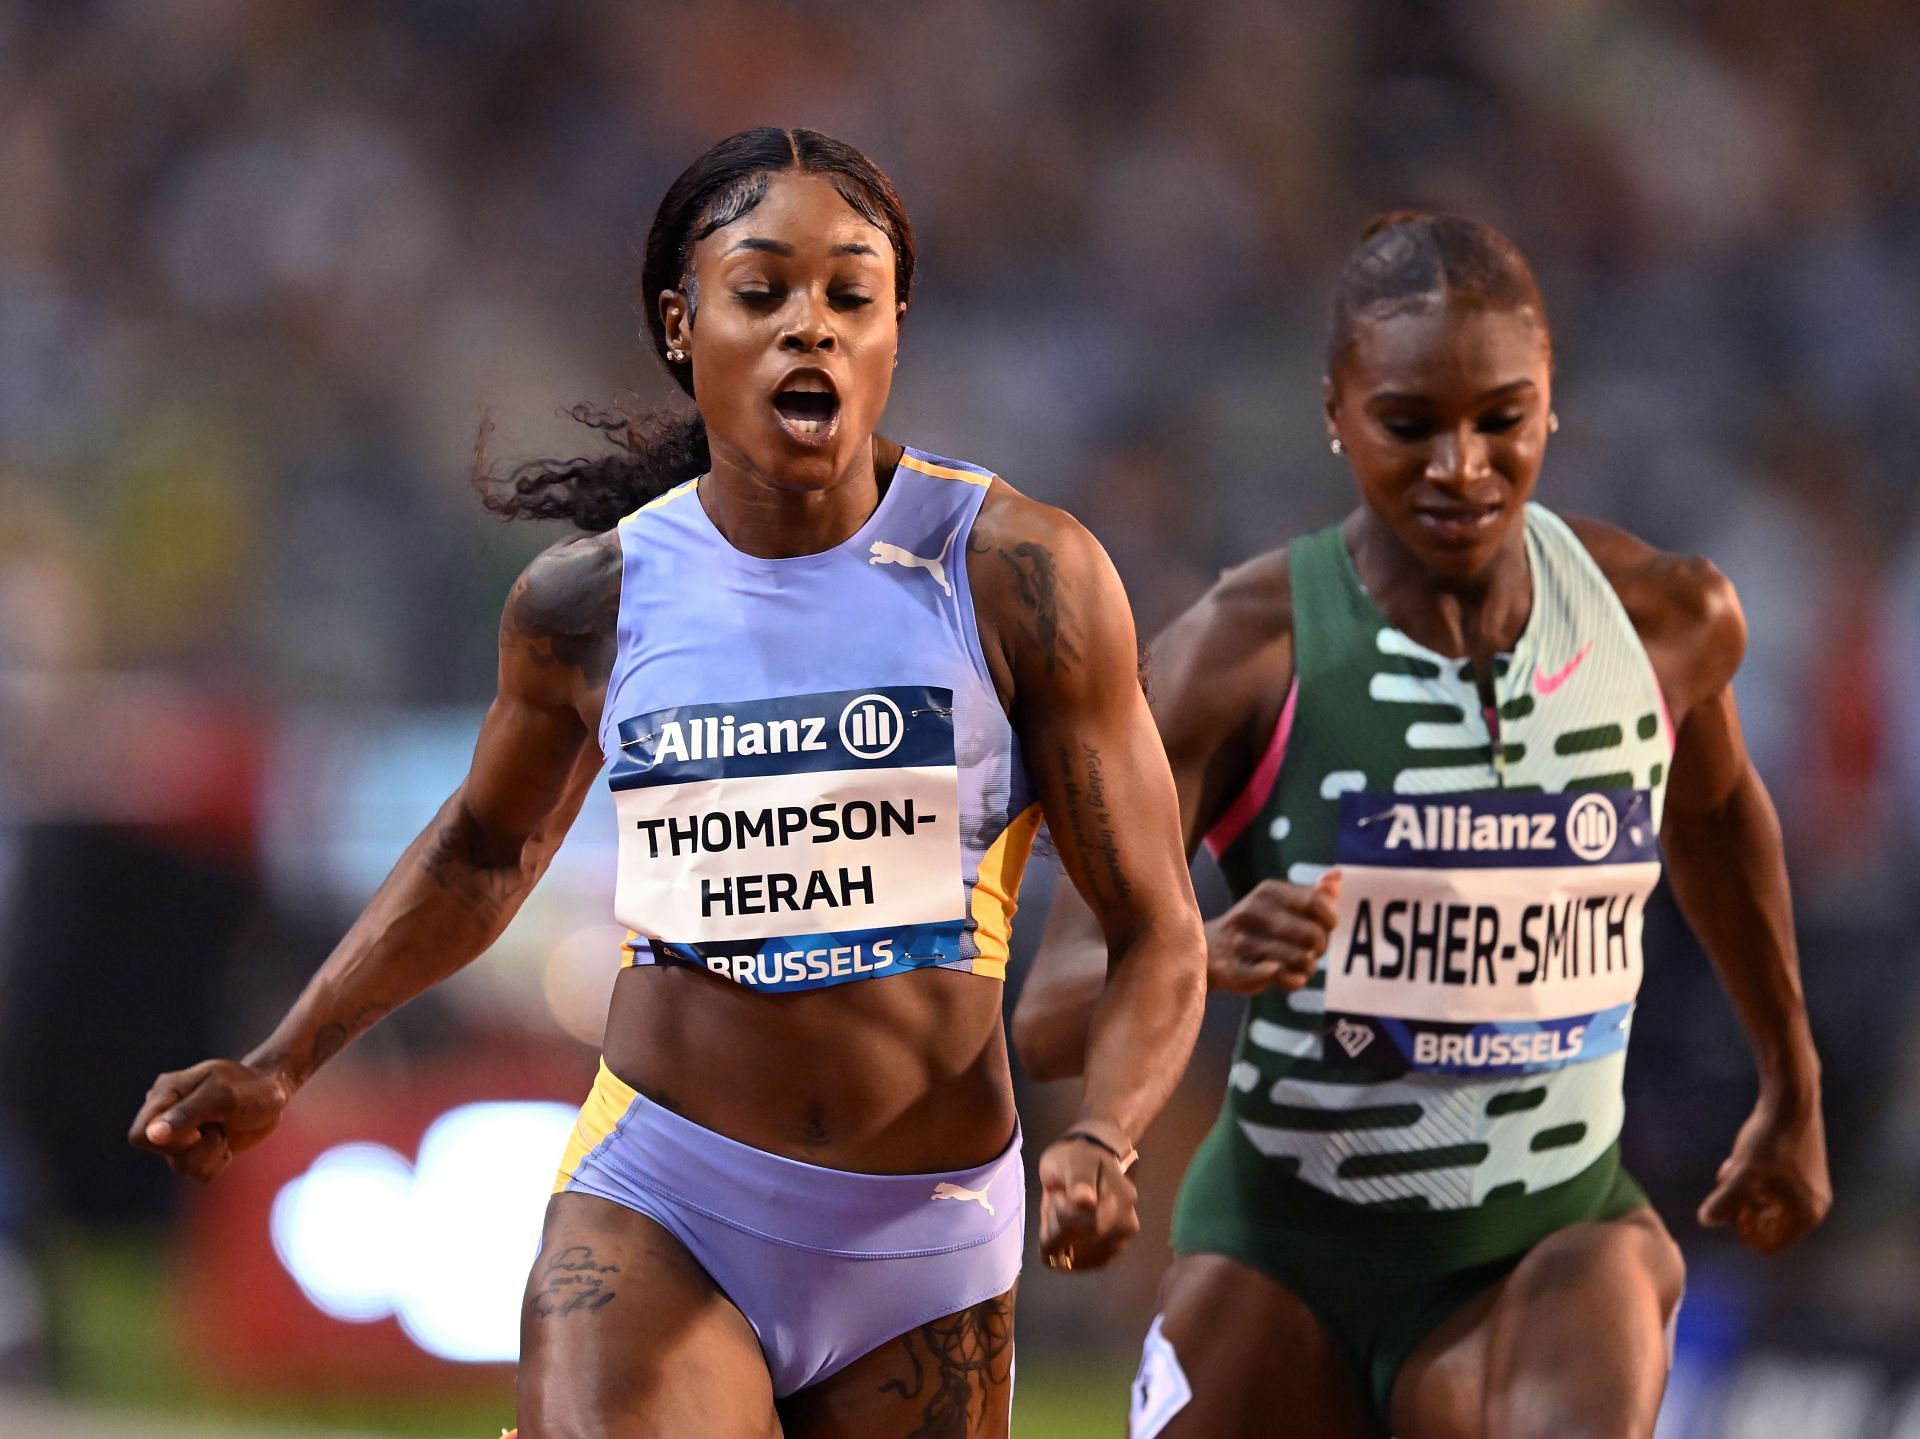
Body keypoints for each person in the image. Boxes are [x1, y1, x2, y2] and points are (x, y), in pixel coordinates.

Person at [129, 127, 1208, 1439]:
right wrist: (284, 1058)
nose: (811, 329)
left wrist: (1105, 1130)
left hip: (923, 1233)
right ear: (681, 324)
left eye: (850, 296)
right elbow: (484, 849)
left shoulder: (1021, 577)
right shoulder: (595, 598)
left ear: (894, 331)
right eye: (764, 293)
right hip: (665, 1194)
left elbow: (1156, 923)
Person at [1014, 213, 1831, 1439]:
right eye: (1409, 425)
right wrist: (1206, 945)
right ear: (1336, 412)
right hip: (1288, 1243)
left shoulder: (1664, 622)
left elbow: (1715, 814)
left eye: (1502, 418)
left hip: (1548, 1232)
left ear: (1552, 402)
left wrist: (1791, 1077)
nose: (1462, 465)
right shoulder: (1240, 654)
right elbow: (1051, 1004)